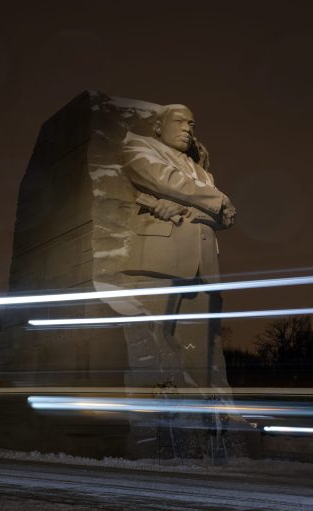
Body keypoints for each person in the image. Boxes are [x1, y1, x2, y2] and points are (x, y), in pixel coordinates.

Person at [117, 104, 236, 389]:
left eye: (192, 124)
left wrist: (191, 208)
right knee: (154, 340)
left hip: (205, 266)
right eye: (179, 121)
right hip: (160, 258)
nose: (187, 128)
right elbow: (162, 178)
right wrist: (216, 200)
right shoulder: (139, 145)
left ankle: (207, 408)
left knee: (204, 351)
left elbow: (227, 217)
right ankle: (159, 409)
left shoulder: (203, 174)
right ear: (158, 127)